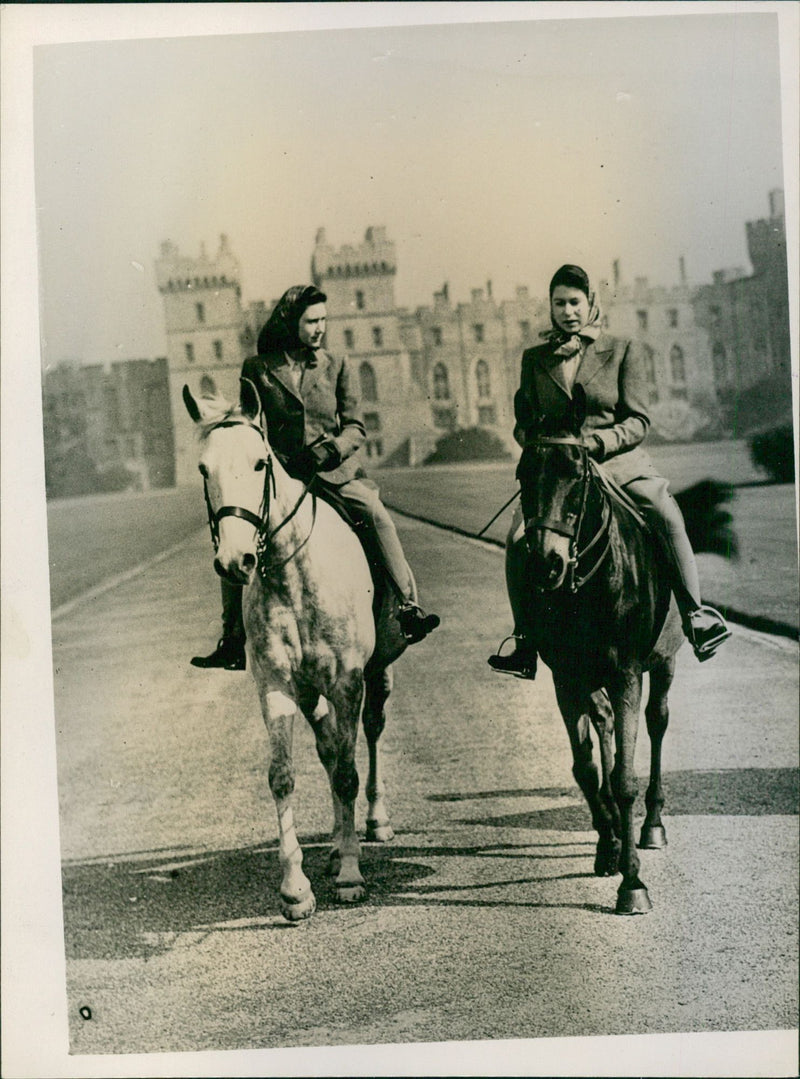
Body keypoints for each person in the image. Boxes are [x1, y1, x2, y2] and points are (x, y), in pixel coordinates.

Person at [488, 263, 730, 679]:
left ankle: (695, 616)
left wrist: (598, 443)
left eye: (575, 302)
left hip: (616, 462)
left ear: (590, 304)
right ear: (550, 308)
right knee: (517, 537)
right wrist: (540, 444)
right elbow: (523, 421)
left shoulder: (621, 349)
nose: (567, 311)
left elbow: (638, 420)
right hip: (561, 472)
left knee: (665, 511)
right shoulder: (535, 359)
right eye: (559, 303)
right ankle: (524, 640)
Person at [192, 284, 439, 670]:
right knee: (235, 532)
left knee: (375, 513)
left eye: (323, 320)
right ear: (291, 322)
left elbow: (356, 427)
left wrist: (332, 449)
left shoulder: (337, 364)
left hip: (333, 473)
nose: (320, 328)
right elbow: (249, 422)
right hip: (281, 477)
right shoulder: (258, 369)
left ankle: (407, 606)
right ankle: (232, 637)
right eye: (312, 321)